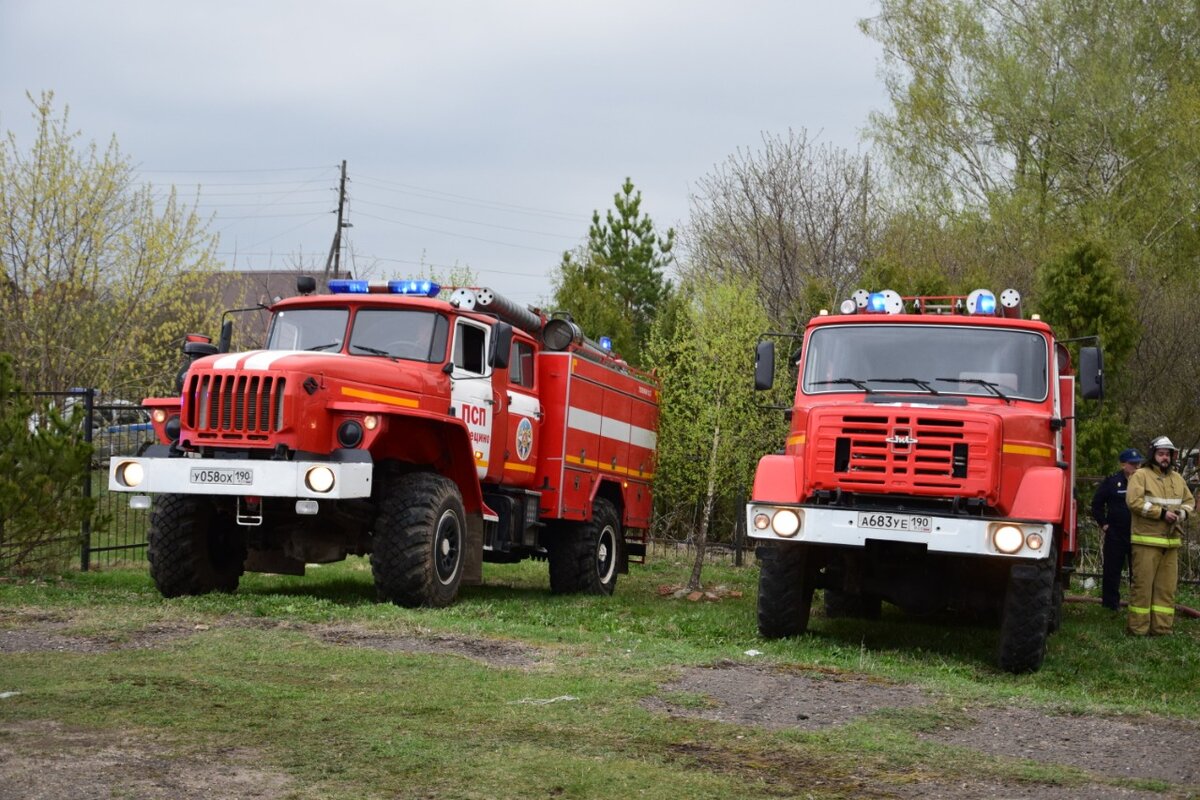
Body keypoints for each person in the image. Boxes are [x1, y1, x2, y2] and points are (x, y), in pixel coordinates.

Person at [1125, 436, 1196, 636]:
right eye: (1161, 454)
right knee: (1143, 588)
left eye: (1168, 454)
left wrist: (1181, 514)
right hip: (1146, 541)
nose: (1165, 458)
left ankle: (1161, 629)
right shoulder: (1140, 475)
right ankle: (1138, 629)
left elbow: (1190, 503)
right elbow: (1134, 502)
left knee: (1166, 590)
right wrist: (1162, 513)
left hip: (1171, 543)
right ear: (1153, 455)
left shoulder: (1178, 479)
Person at [1090, 448, 1143, 610]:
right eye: (1132, 464)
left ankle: (1138, 603)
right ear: (1123, 465)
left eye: (1138, 464)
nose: (1136, 467)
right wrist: (1104, 525)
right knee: (1112, 571)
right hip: (1116, 534)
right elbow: (1096, 504)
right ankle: (1110, 604)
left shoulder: (1143, 482)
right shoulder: (1112, 482)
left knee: (1139, 571)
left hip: (1138, 532)